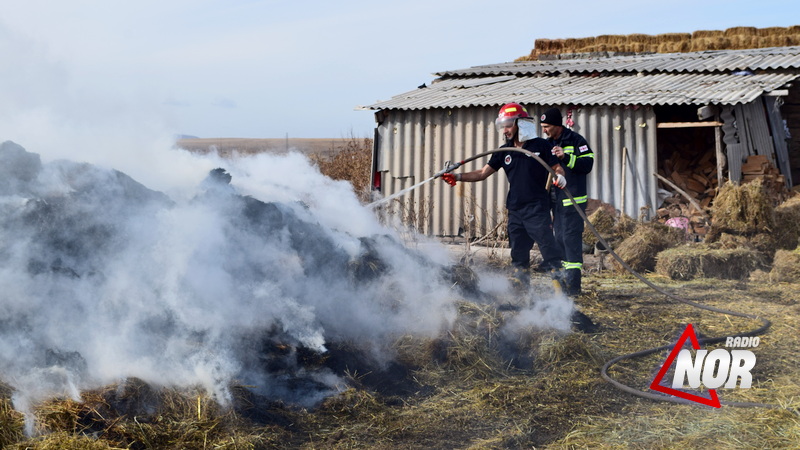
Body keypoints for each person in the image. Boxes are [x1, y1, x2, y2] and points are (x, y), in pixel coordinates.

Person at [441, 102, 567, 290]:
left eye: (508, 125)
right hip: (515, 210)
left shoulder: (541, 145)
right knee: (518, 253)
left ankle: (561, 292)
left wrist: (560, 177)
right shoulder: (504, 151)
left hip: (537, 208)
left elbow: (557, 167)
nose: (505, 130)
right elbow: (482, 173)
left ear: (520, 124)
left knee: (549, 249)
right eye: (503, 126)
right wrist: (458, 176)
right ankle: (522, 294)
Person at [540, 107, 595, 297]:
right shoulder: (547, 144)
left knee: (571, 242)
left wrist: (566, 157)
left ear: (557, 125)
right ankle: (563, 285)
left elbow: (587, 165)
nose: (544, 130)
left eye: (547, 126)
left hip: (573, 202)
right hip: (555, 203)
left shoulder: (576, 141)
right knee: (559, 241)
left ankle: (573, 287)